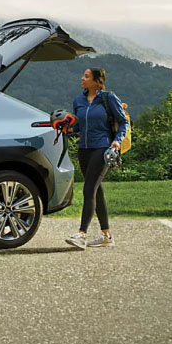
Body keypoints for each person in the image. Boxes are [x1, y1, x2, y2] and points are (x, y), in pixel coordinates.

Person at [61, 67, 128, 249]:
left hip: (102, 148)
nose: (82, 78)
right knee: (96, 191)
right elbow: (80, 126)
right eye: (83, 75)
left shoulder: (108, 98)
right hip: (84, 149)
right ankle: (107, 236)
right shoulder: (79, 100)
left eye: (87, 76)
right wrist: (68, 129)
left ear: (97, 81)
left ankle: (81, 235)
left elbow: (123, 122)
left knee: (89, 188)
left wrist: (116, 141)